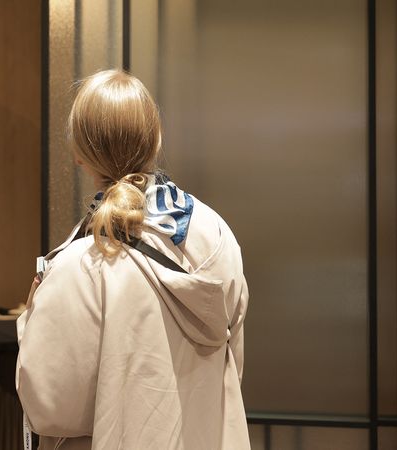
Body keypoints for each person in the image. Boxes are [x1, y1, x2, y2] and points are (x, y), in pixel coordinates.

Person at [16, 70, 250, 450]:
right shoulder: (217, 233)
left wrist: (30, 319)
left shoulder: (81, 263)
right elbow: (231, 366)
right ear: (157, 139)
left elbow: (50, 407)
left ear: (78, 155)